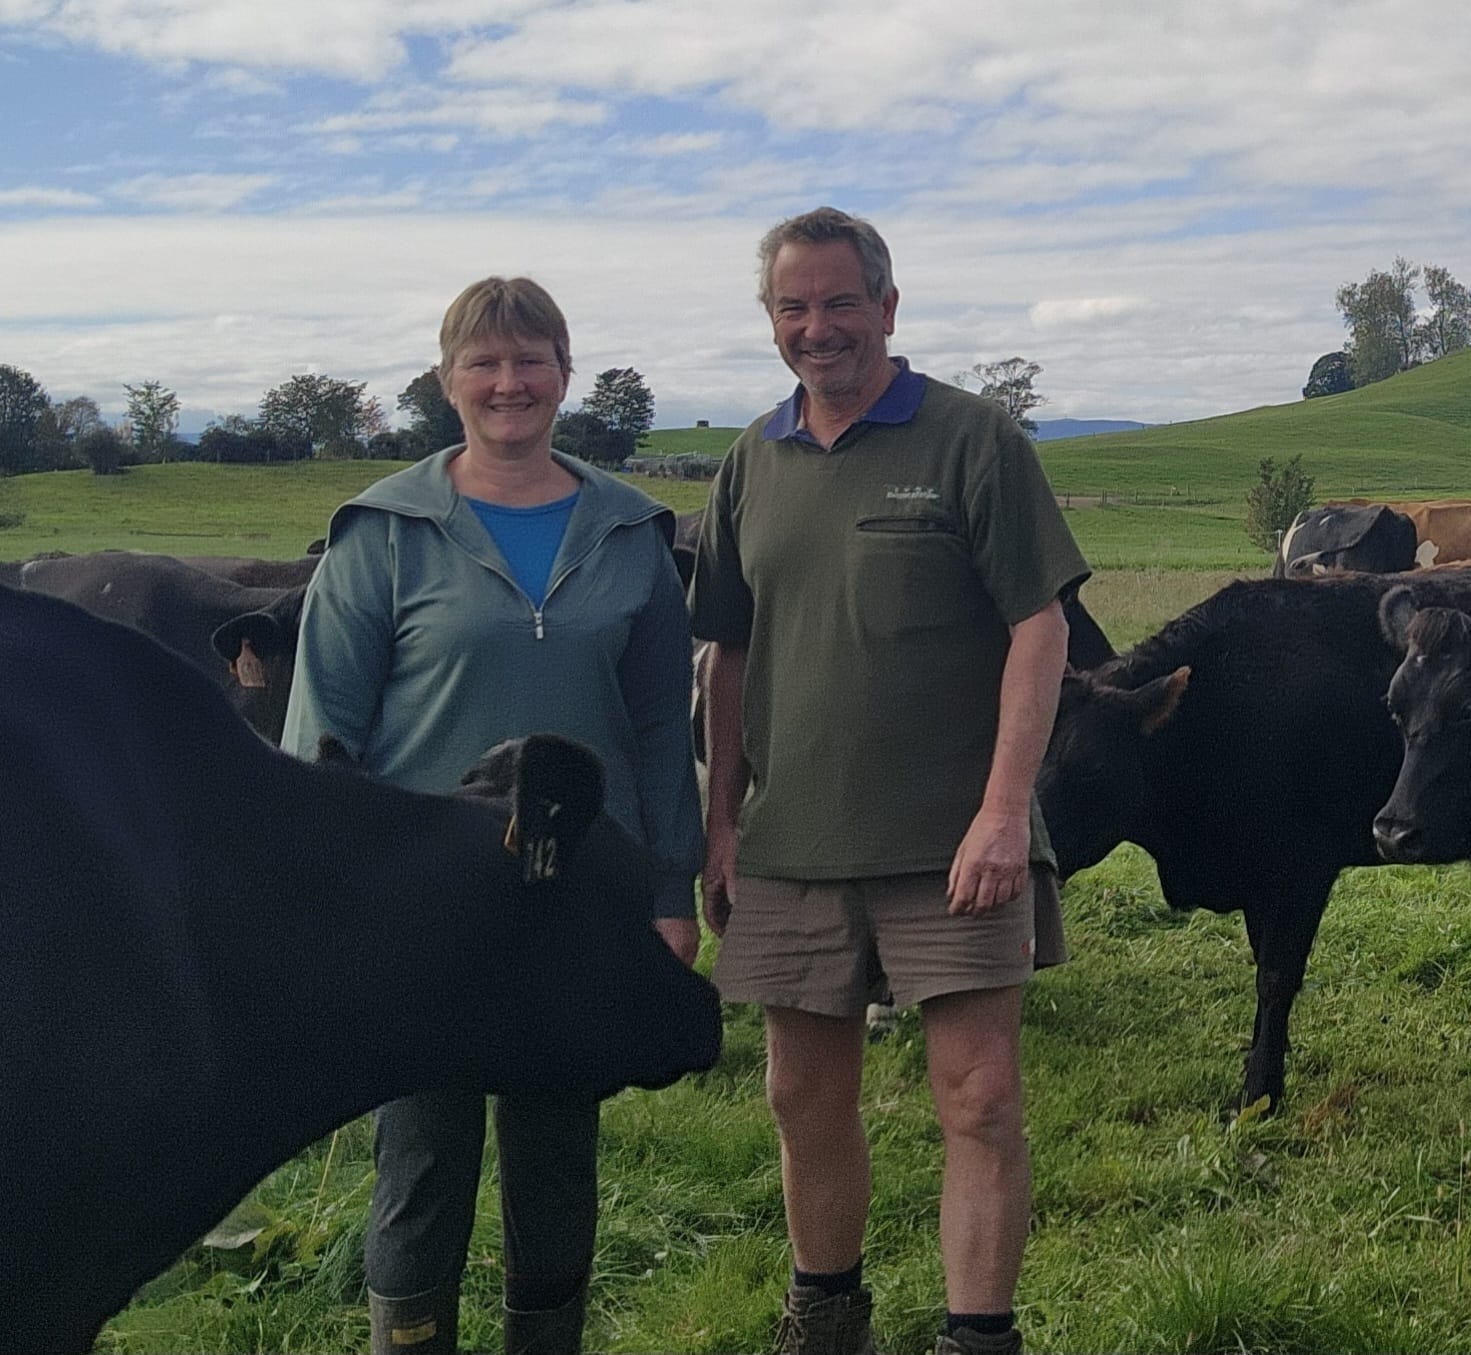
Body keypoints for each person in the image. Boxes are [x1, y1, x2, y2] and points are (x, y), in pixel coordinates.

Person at [689, 207, 1088, 1355]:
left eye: (838, 302)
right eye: (792, 308)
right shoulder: (749, 461)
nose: (817, 328)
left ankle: (976, 1334)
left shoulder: (971, 439)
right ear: (771, 321)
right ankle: (825, 1316)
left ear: (887, 307)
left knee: (978, 1097)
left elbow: (1037, 624)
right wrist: (720, 819)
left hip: (952, 842)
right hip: (790, 843)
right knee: (800, 1099)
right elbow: (728, 650)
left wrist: (1005, 810)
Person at [281, 276, 703, 1355]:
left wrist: (667, 890)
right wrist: (328, 897)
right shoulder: (380, 532)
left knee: (559, 1145)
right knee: (421, 1151)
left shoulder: (628, 531)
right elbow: (324, 730)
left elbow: (662, 729)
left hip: (580, 892)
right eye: (484, 362)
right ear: (445, 379)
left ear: (565, 372)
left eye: (531, 360)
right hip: (421, 897)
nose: (508, 382)